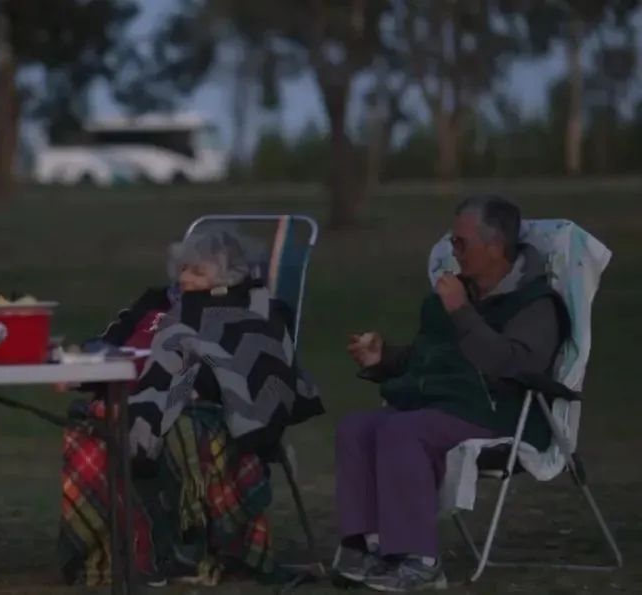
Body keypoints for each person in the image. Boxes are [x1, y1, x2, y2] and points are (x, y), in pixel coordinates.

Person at [58, 231, 323, 588]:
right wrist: (81, 373)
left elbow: (260, 370)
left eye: (197, 273)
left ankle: (183, 543)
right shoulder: (157, 303)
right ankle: (126, 552)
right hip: (143, 396)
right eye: (182, 270)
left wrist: (202, 385)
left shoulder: (256, 309)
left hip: (219, 414)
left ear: (229, 275)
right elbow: (112, 347)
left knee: (164, 428)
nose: (185, 279)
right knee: (99, 429)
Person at [333, 195, 569, 592]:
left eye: (460, 243)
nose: (452, 252)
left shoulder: (535, 304)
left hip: (501, 414)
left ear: (494, 247)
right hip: (445, 406)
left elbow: (514, 367)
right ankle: (367, 545)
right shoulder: (458, 293)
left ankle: (421, 560)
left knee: (403, 431)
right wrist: (382, 357)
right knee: (356, 427)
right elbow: (430, 358)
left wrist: (462, 313)